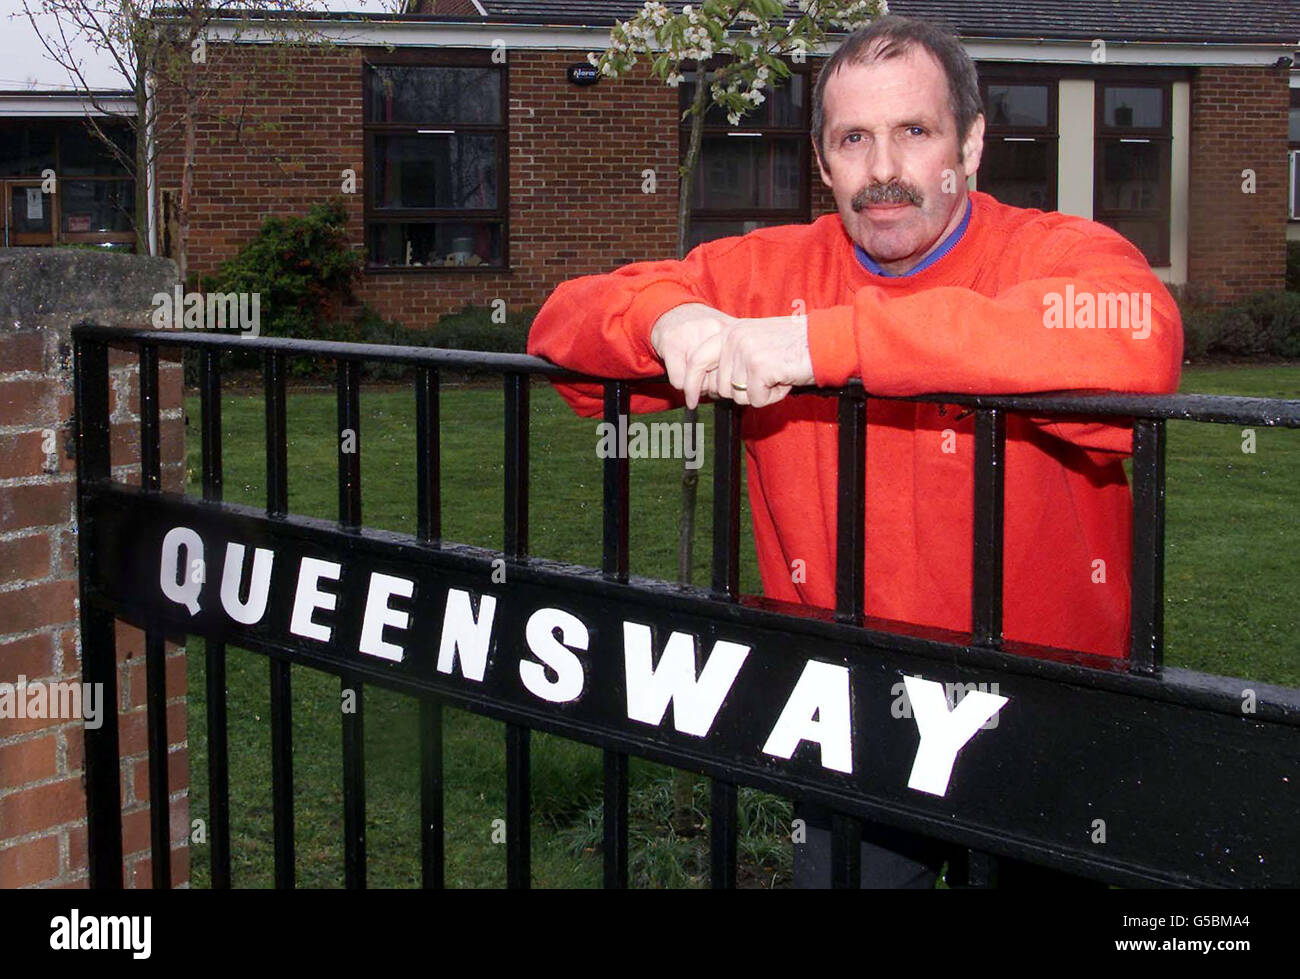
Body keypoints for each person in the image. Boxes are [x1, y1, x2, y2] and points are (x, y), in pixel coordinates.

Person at [526, 15, 1182, 886]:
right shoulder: (769, 271)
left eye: (915, 132)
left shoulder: (1052, 254)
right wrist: (668, 316)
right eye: (854, 139)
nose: (882, 170)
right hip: (849, 719)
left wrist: (816, 347)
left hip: (1049, 722)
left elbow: (1137, 339)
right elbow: (565, 326)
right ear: (823, 159)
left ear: (973, 142)